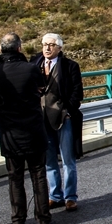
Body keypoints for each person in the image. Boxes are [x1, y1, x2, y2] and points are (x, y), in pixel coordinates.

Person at [0, 33, 56, 224]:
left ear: (1, 49)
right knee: (38, 174)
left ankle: (18, 222)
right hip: (33, 129)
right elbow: (41, 88)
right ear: (19, 48)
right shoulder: (31, 69)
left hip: (9, 133)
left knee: (14, 178)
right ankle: (43, 219)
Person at [32, 33, 83, 211]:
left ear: (59, 48)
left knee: (68, 160)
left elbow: (77, 92)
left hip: (63, 118)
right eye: (45, 44)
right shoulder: (35, 64)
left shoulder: (70, 66)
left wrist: (67, 110)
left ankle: (70, 196)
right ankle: (55, 195)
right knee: (49, 160)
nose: (47, 48)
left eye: (51, 45)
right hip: (42, 120)